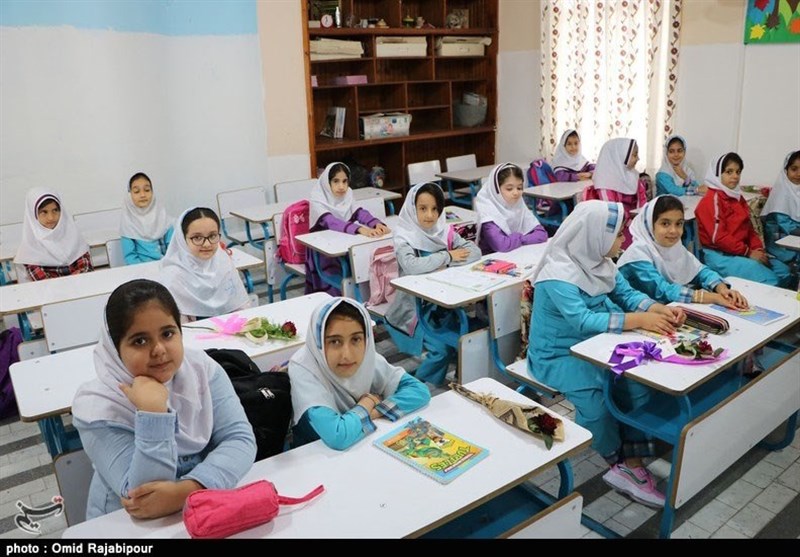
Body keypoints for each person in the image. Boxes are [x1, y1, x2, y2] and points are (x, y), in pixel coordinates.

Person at [527, 200, 685, 508]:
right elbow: (582, 320)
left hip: (596, 345)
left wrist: (657, 309)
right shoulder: (557, 274)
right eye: (617, 234)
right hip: (557, 356)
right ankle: (617, 460)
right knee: (597, 397)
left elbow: (625, 294)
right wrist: (639, 320)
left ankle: (634, 452)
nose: (624, 240)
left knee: (638, 379)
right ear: (594, 235)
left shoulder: (600, 261)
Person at [72, 279, 256, 520]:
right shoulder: (97, 407)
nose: (159, 349)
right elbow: (143, 496)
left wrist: (188, 491)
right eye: (139, 340)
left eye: (168, 333)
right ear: (115, 349)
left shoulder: (202, 370)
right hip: (124, 524)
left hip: (201, 506)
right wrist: (154, 413)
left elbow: (240, 439)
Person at [289, 297, 431, 450]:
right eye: (335, 342)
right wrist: (368, 401)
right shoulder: (305, 368)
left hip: (362, 445)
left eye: (356, 339)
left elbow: (420, 391)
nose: (347, 355)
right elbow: (338, 436)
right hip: (315, 455)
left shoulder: (368, 357)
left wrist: (373, 413)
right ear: (318, 343)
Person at [385, 182, 481, 386]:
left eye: (435, 209)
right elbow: (412, 266)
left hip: (442, 305)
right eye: (423, 208)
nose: (429, 215)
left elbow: (475, 252)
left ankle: (464, 379)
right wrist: (447, 257)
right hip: (413, 311)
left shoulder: (444, 232)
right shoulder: (404, 236)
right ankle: (418, 386)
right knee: (441, 350)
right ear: (412, 208)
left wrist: (444, 261)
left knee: (476, 333)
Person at [618, 195, 748, 308]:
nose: (673, 231)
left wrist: (721, 289)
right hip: (634, 315)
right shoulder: (637, 255)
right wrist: (712, 298)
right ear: (649, 225)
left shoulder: (675, 248)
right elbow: (662, 291)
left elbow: (700, 271)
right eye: (665, 224)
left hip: (664, 310)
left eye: (679, 224)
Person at [695, 153, 791, 287]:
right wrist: (748, 252)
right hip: (720, 256)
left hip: (740, 251)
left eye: (738, 172)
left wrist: (758, 249)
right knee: (770, 280)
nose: (735, 176)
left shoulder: (737, 198)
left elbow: (749, 229)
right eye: (729, 172)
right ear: (717, 174)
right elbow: (719, 238)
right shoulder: (711, 200)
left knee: (784, 272)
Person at [305, 162, 391, 296]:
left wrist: (376, 224)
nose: (341, 186)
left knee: (365, 264)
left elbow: (359, 212)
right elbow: (331, 222)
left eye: (345, 181)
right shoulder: (317, 198)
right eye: (336, 181)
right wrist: (360, 229)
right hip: (323, 252)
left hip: (344, 243)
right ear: (327, 182)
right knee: (338, 284)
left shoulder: (348, 194)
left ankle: (363, 298)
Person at [160, 207, 251, 322]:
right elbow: (178, 325)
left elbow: (241, 306)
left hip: (232, 329)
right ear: (182, 239)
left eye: (212, 236)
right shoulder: (173, 276)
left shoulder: (224, 262)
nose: (207, 244)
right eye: (197, 238)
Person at [14, 188, 93, 281]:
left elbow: (86, 269)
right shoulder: (30, 249)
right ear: (33, 215)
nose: (51, 217)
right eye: (44, 212)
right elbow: (44, 283)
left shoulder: (73, 236)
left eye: (55, 210)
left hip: (81, 285)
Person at [474, 162, 547, 254]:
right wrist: (523, 237)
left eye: (519, 188)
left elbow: (542, 234)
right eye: (509, 189)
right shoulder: (488, 213)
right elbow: (502, 245)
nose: (516, 193)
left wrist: (517, 239)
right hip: (492, 257)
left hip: (516, 253)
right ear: (496, 190)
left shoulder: (519, 205)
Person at [591, 138, 647, 248]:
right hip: (616, 228)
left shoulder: (633, 175)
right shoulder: (604, 182)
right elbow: (613, 214)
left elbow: (642, 201)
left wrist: (641, 219)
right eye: (634, 155)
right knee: (640, 246)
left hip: (634, 223)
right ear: (620, 156)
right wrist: (631, 223)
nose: (638, 158)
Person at [762, 150, 800, 288]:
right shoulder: (781, 193)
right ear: (786, 170)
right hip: (779, 243)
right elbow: (785, 225)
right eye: (794, 169)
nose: (798, 174)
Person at [120, 172, 173, 265]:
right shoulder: (128, 223)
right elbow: (130, 257)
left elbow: (173, 248)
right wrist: (146, 270)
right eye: (137, 192)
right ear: (129, 195)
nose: (143, 195)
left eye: (147, 190)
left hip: (166, 266)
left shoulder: (163, 218)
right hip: (141, 269)